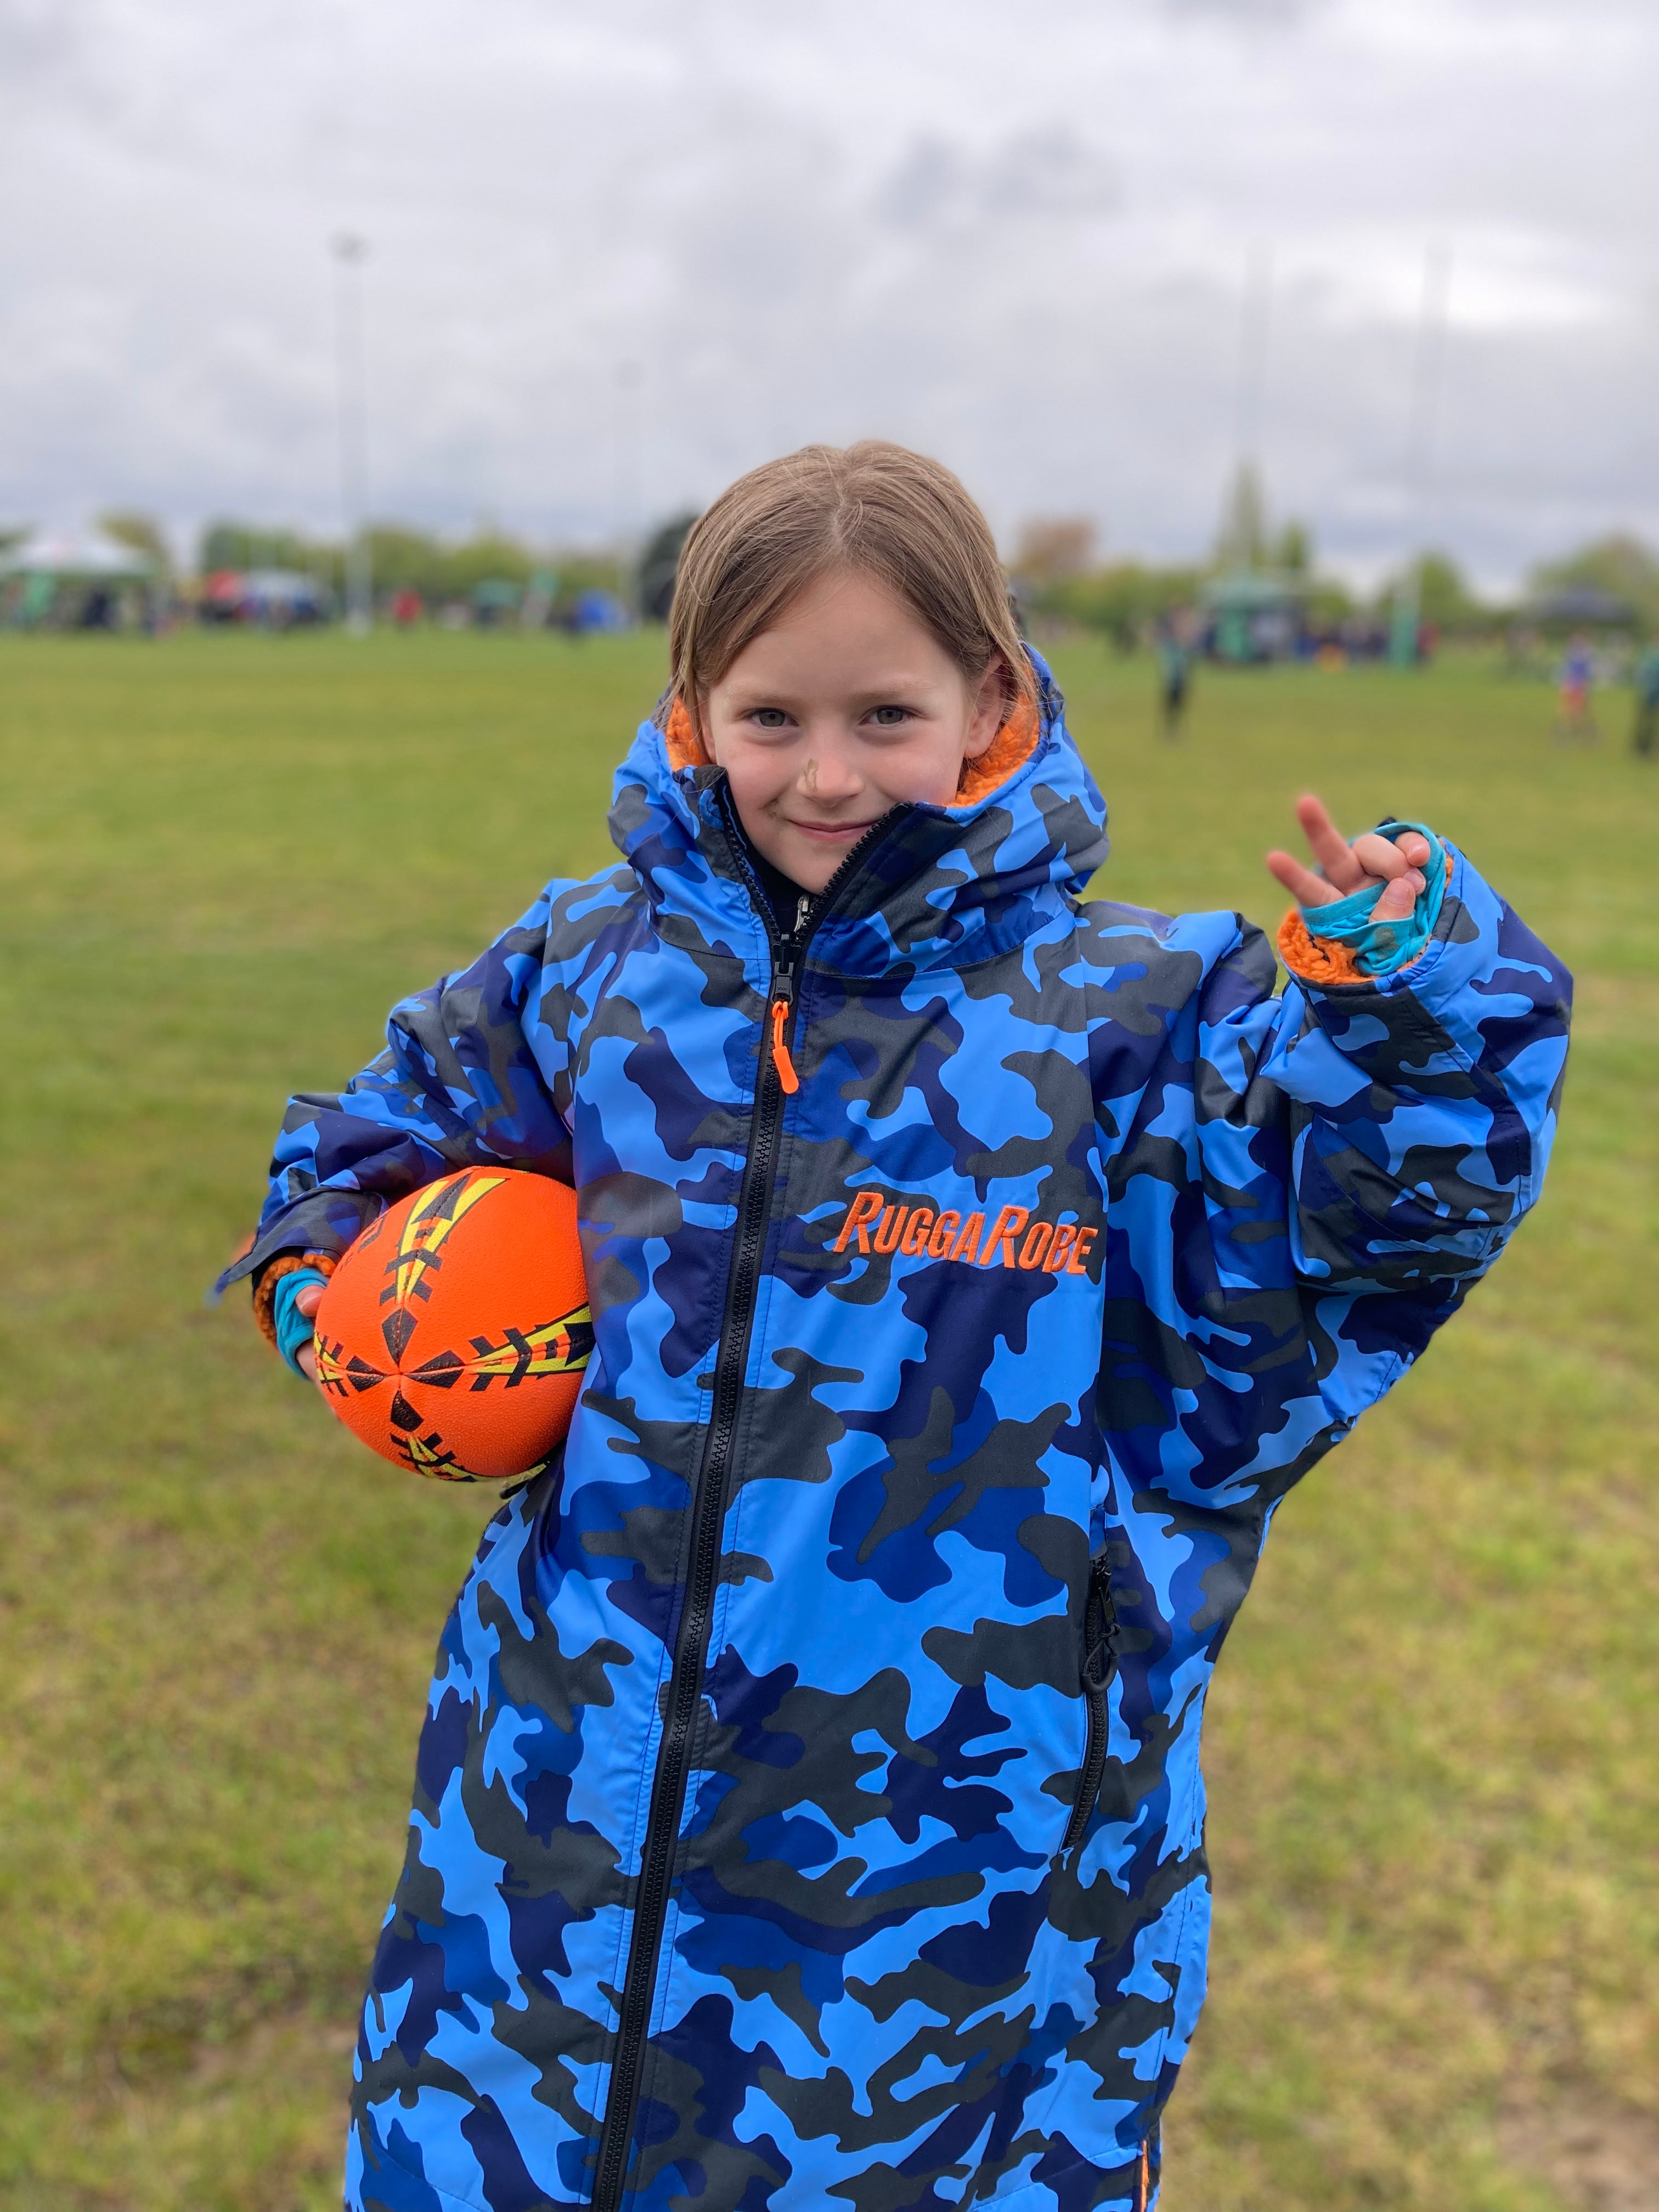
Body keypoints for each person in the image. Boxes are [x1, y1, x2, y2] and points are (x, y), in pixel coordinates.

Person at [221, 443, 1570, 2212]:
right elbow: (364, 1149)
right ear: (693, 710)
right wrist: (348, 1320)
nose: (828, 774)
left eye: (885, 715)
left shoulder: (1134, 1023)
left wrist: (1421, 1001)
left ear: (990, 701)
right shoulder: (587, 972)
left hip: (945, 1937)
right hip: (541, 1882)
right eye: (772, 717)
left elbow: (1392, 1213)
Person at [1153, 608, 1195, 739]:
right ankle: (1170, 729)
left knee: (1179, 707)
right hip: (1172, 682)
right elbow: (1166, 664)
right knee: (1170, 707)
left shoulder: (1183, 647)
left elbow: (1186, 665)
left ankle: (1175, 729)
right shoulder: (1170, 647)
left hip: (1181, 681)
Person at [1554, 631, 1598, 743]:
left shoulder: (1584, 654)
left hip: (1578, 684)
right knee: (1573, 708)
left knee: (1579, 708)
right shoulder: (1575, 654)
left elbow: (1586, 672)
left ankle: (1577, 729)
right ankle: (1571, 729)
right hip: (1574, 684)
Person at [1631, 640, 1659, 758]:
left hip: (1650, 696)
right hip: (1649, 697)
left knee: (1647, 724)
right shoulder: (1650, 660)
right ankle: (1642, 746)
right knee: (1646, 723)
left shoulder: (1650, 660)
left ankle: (1644, 746)